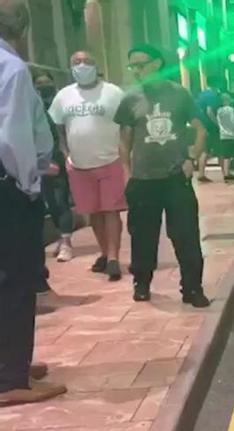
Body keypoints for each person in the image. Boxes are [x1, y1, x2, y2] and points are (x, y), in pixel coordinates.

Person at [0, 0, 67, 405]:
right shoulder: (12, 68)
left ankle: (10, 363)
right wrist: (28, 182)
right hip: (8, 189)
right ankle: (12, 379)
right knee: (17, 281)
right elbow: (11, 136)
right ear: (21, 27)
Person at [115, 44, 210, 307]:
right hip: (143, 181)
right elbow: (124, 142)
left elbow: (201, 129)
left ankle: (192, 288)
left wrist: (192, 158)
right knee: (143, 235)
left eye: (141, 64)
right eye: (132, 66)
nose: (137, 71)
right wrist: (127, 174)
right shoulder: (130, 99)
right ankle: (142, 282)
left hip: (175, 178)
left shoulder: (180, 95)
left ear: (157, 63)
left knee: (185, 234)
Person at [48, 50, 126, 281]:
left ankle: (113, 257)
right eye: (76, 62)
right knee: (94, 213)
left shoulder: (113, 93)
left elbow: (125, 127)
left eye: (87, 61)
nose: (82, 66)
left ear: (96, 65)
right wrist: (65, 153)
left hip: (110, 160)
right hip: (79, 164)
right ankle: (103, 252)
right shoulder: (64, 96)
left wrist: (125, 156)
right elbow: (59, 127)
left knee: (110, 210)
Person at [34, 72, 75, 265]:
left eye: (46, 82)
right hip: (40, 162)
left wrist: (65, 155)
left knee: (60, 200)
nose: (44, 86)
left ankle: (66, 241)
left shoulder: (61, 103)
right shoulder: (34, 105)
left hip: (59, 159)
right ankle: (61, 236)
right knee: (50, 202)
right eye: (39, 83)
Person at [195, 76, 222, 182]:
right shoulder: (212, 95)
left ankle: (201, 172)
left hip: (202, 123)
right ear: (218, 84)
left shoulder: (202, 94)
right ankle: (201, 173)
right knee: (208, 149)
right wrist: (217, 124)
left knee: (205, 148)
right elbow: (209, 111)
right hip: (209, 125)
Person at [217, 91, 234, 182]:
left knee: (226, 156)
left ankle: (226, 174)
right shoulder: (233, 110)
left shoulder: (219, 110)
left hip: (223, 136)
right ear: (228, 100)